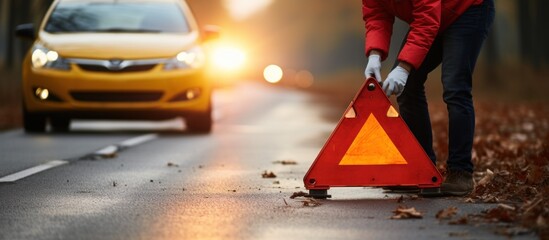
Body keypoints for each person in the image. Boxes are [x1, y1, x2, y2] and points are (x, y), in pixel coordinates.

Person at [362, 0, 495, 196]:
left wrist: (403, 68)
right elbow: (376, 15)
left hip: (466, 9)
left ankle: (461, 172)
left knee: (455, 88)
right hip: (433, 15)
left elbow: (426, 21)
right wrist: (374, 54)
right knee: (407, 88)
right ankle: (422, 169)